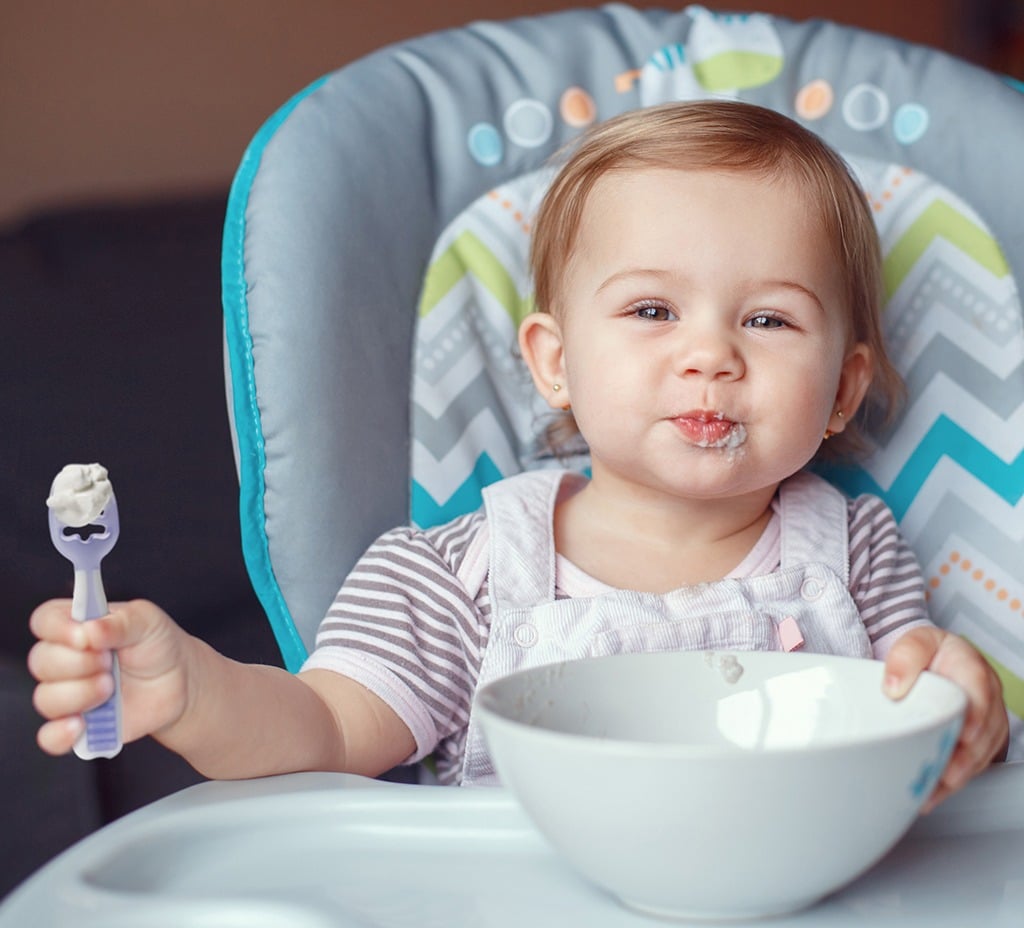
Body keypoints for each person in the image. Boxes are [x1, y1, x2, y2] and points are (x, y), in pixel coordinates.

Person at [28, 101, 1007, 806]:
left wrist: (959, 707)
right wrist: (194, 692)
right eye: (651, 309)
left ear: (841, 389)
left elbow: (918, 747)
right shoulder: (455, 573)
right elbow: (323, 731)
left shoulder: (854, 549)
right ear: (555, 361)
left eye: (767, 317)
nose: (710, 353)